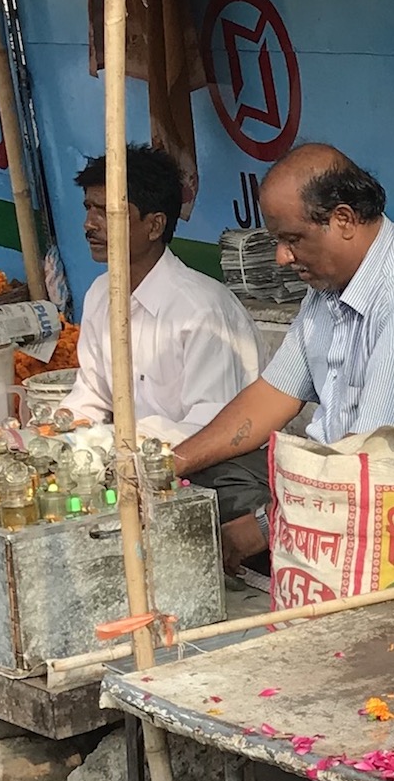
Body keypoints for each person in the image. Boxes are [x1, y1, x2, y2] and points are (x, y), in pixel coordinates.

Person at [167, 143, 394, 568]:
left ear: (343, 220)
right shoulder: (328, 288)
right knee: (205, 480)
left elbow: (376, 465)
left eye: (292, 240)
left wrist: (260, 528)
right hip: (345, 472)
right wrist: (170, 465)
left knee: (258, 524)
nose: (282, 257)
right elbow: (271, 396)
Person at [59, 144, 263, 532]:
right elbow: (91, 395)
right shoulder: (101, 294)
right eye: (88, 208)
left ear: (154, 226)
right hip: (139, 468)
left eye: (106, 212)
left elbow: (212, 426)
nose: (90, 224)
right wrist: (58, 431)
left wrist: (113, 444)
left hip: (217, 477)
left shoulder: (201, 310)